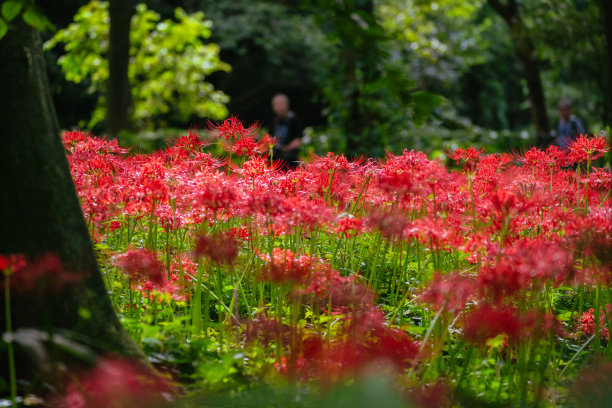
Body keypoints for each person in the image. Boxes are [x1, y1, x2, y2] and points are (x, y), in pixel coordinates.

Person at [270, 93, 303, 169]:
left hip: (290, 156)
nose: (279, 107)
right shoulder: (274, 120)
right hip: (276, 154)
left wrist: (287, 148)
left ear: (287, 105)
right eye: (277, 104)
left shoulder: (294, 119)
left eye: (282, 103)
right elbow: (270, 136)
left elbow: (298, 139)